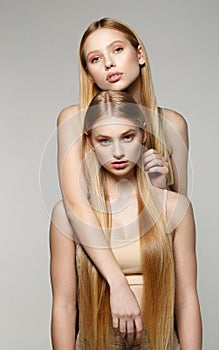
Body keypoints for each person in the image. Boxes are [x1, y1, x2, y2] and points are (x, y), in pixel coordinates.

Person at [50, 17, 190, 346]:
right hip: (99, 308)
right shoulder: (73, 120)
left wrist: (159, 186)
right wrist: (118, 284)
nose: (109, 63)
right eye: (95, 59)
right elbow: (75, 204)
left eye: (117, 49)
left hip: (156, 314)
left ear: (139, 53)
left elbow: (174, 231)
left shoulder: (172, 125)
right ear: (89, 72)